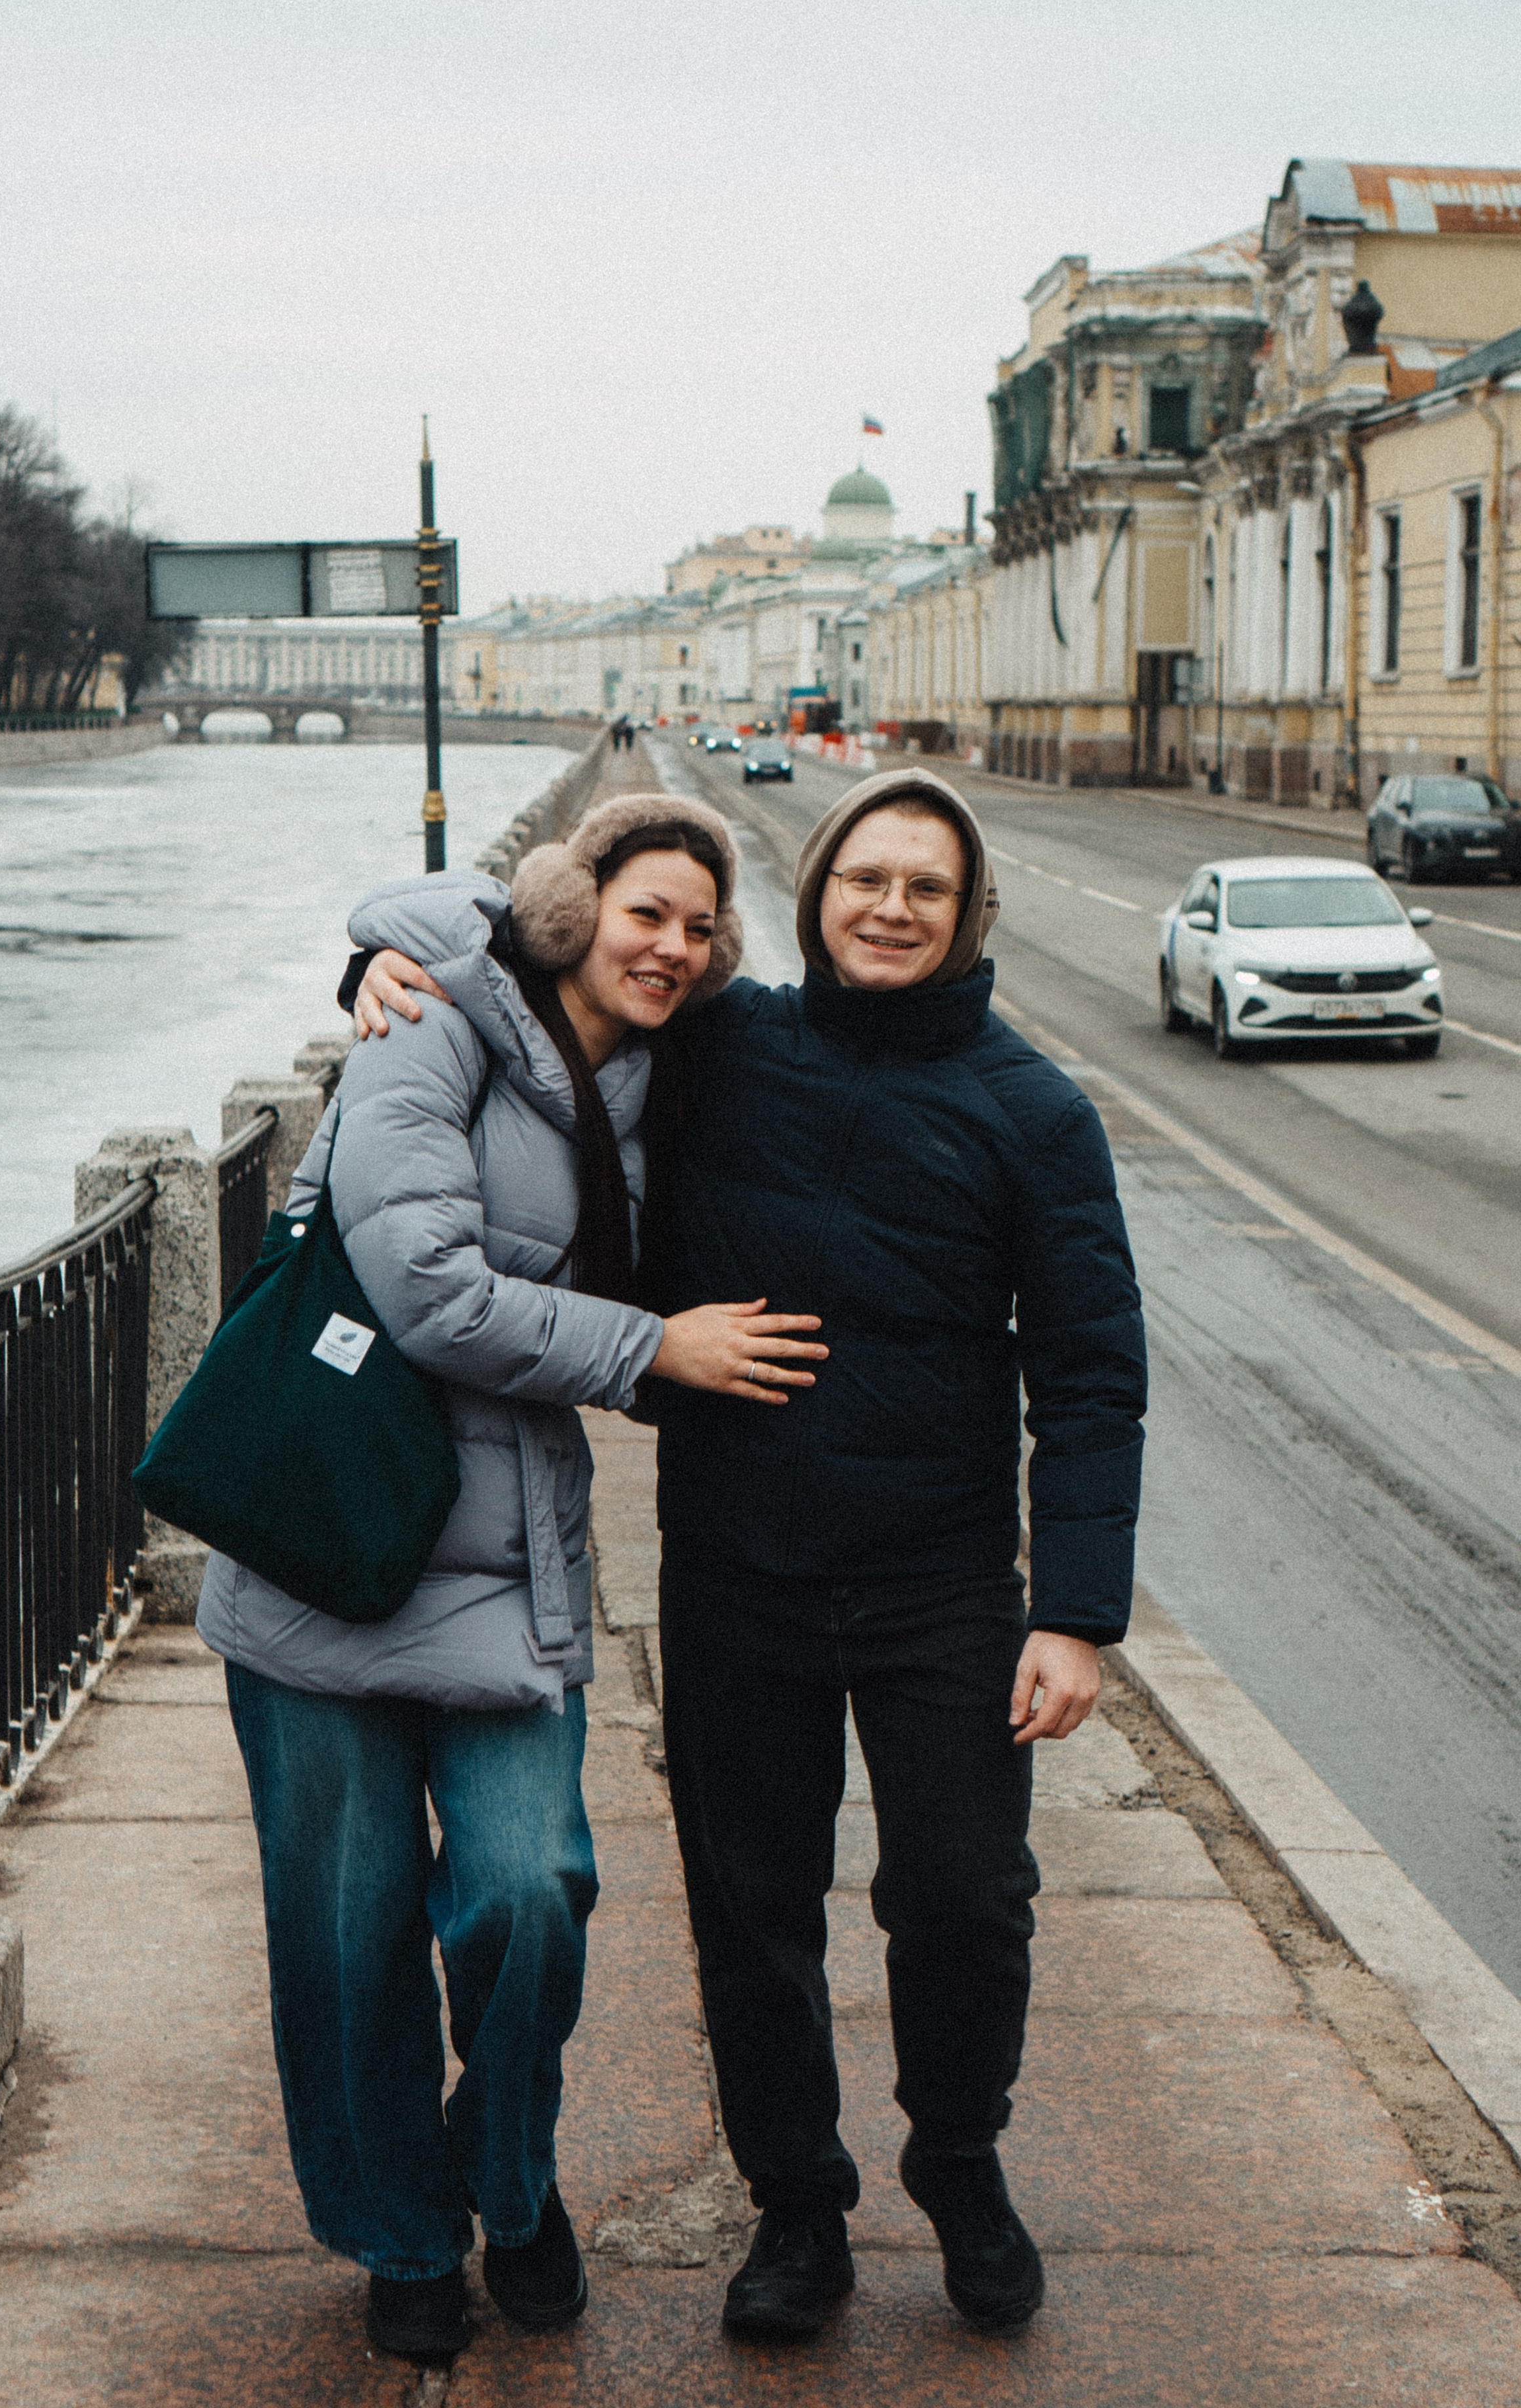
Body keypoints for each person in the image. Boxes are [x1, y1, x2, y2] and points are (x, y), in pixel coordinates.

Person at [347, 767, 1148, 2346]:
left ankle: (960, 2163)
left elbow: (1090, 1372)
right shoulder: (723, 1043)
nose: (891, 908)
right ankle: (796, 2208)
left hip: (940, 1583)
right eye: (866, 879)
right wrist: (379, 962)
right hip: (739, 1566)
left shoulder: (1035, 1114)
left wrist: (1073, 1613)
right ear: (815, 897)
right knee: (751, 1903)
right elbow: (533, 969)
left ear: (966, 911)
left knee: (967, 1897)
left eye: (925, 886)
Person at [196, 792, 827, 2367]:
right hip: (329, 1541)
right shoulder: (434, 1029)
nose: (670, 947)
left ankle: (512, 2178)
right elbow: (421, 1290)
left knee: (530, 1895)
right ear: (570, 906)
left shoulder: (665, 1074)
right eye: (645, 913)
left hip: (511, 1559)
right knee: (346, 1940)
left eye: (700, 926)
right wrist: (648, 1348)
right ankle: (406, 2234)